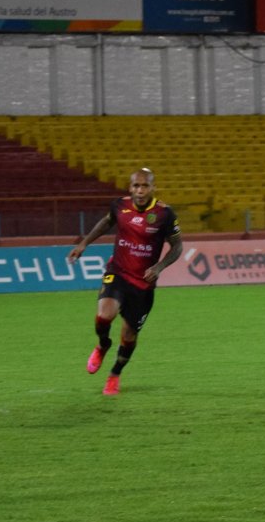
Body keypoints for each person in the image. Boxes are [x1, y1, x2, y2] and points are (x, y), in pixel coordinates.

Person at [67, 168, 183, 396]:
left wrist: (159, 267)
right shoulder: (119, 205)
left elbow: (177, 246)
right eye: (136, 186)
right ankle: (103, 345)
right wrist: (83, 244)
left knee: (129, 336)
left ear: (153, 188)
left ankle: (114, 374)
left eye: (145, 186)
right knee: (104, 315)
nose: (140, 190)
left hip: (143, 284)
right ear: (130, 187)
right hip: (118, 273)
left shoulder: (165, 214)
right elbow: (106, 222)